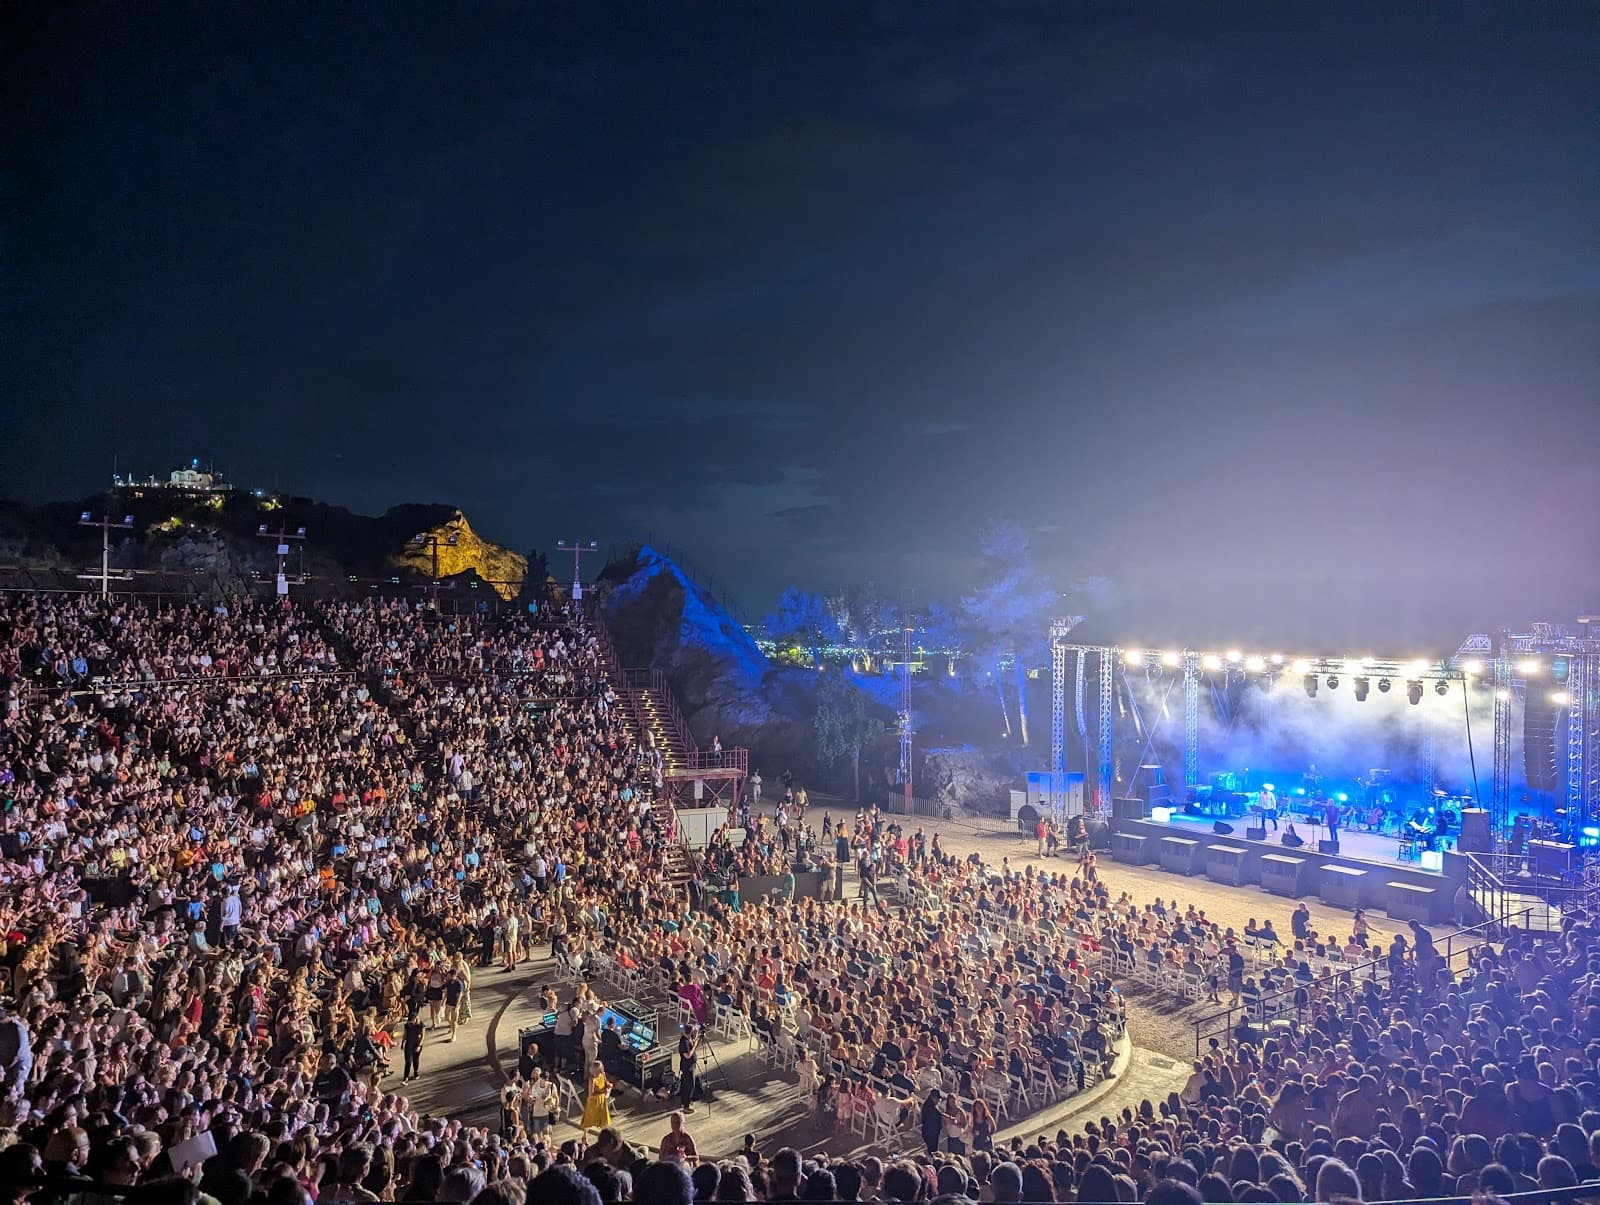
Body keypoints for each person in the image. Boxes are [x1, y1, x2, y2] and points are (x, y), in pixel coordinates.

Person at [579, 1060, 612, 1138]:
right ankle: (584, 1136)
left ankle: (605, 1136)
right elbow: (591, 1094)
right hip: (593, 1101)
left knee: (604, 1118)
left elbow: (606, 1083)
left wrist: (608, 1086)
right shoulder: (592, 1080)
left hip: (602, 1100)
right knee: (589, 1120)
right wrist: (604, 1091)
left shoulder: (602, 1075)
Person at [677, 1022, 700, 1114]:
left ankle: (687, 1101)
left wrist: (696, 1031)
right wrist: (694, 1046)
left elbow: (694, 1035)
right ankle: (686, 1105)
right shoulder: (684, 1042)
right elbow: (687, 1055)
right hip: (687, 1067)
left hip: (691, 1066)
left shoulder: (689, 1037)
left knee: (689, 1084)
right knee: (689, 1085)